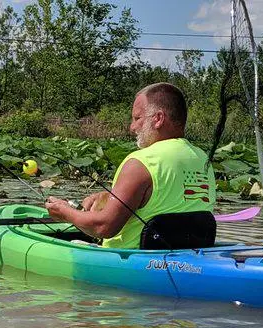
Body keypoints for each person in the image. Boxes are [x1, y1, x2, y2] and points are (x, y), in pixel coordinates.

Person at [45, 82, 216, 249]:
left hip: (130, 266)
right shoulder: (202, 159)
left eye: (137, 118)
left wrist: (65, 212)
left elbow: (103, 227)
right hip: (188, 257)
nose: (132, 127)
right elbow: (169, 202)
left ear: (158, 119)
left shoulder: (141, 162)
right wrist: (109, 197)